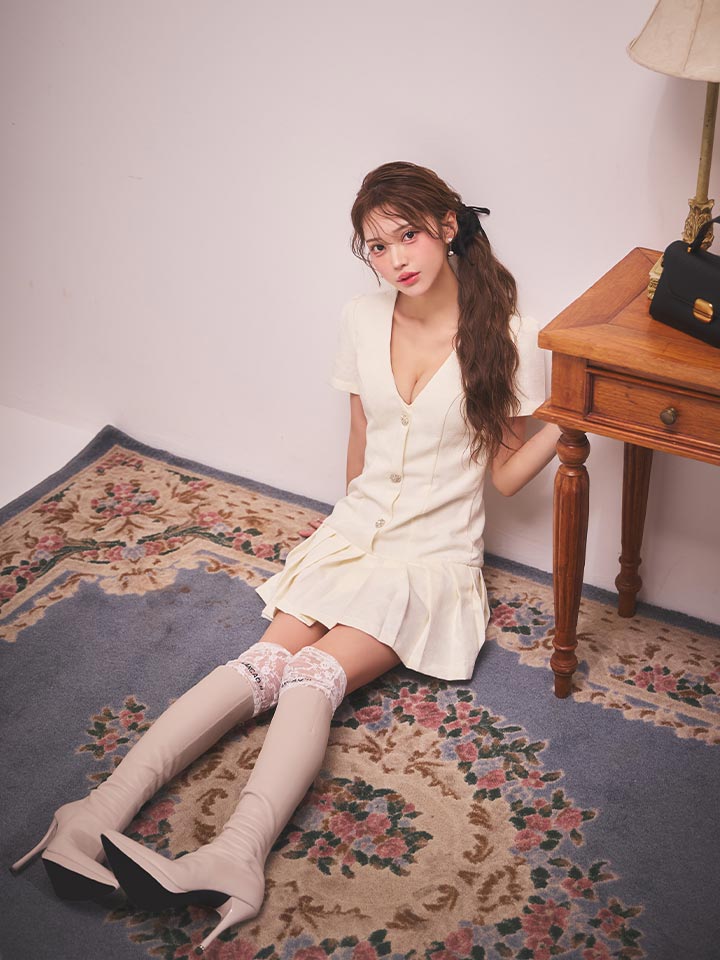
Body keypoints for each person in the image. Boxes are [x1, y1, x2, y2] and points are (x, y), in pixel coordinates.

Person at [10, 161, 562, 954]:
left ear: (448, 226)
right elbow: (362, 437)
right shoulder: (361, 319)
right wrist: (341, 540)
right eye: (377, 247)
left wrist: (576, 421)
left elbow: (505, 474)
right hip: (355, 533)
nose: (395, 258)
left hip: (429, 557)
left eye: (408, 234)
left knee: (312, 676)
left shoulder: (507, 334)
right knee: (261, 663)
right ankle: (93, 815)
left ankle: (235, 856)